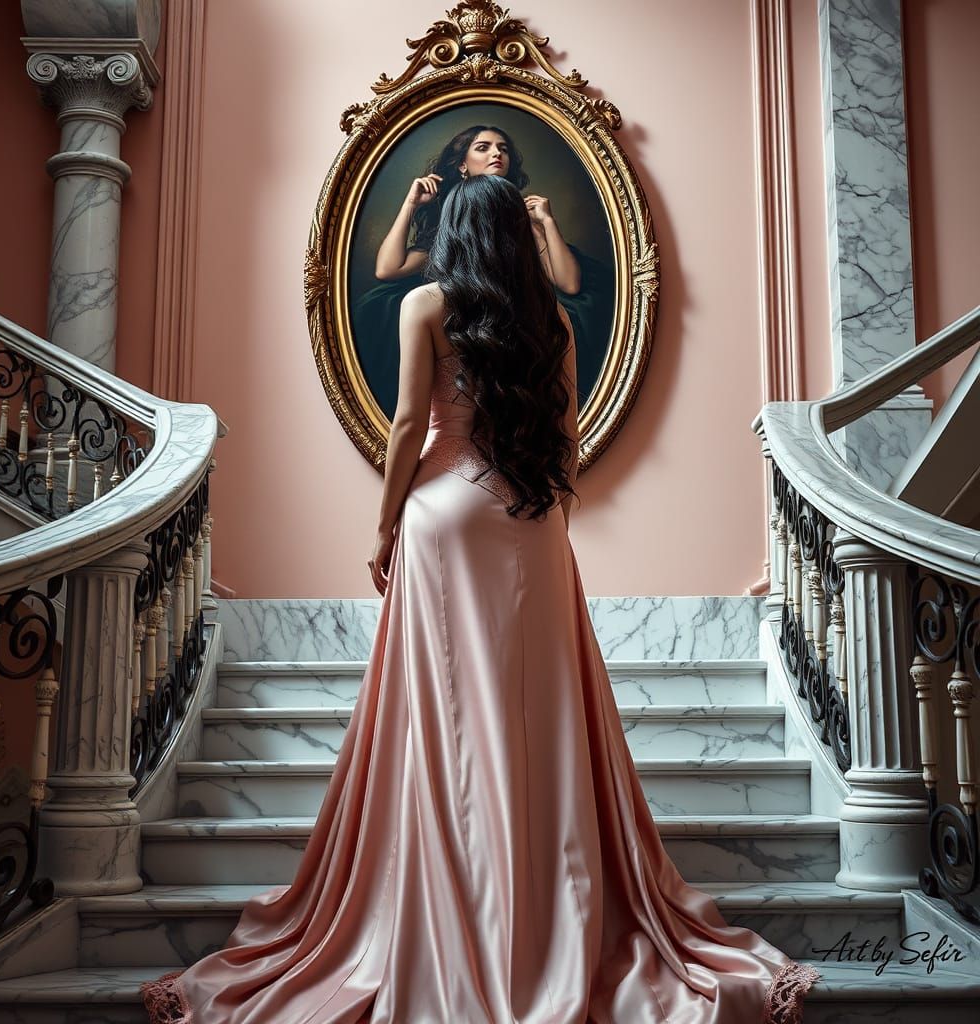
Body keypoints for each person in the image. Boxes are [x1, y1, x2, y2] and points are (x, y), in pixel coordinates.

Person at [141, 173, 820, 1022]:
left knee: (445, 717)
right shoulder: (555, 320)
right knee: (534, 717)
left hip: (442, 516)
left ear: (455, 230)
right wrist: (550, 515)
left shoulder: (426, 304)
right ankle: (539, 900)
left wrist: (385, 527)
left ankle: (451, 882)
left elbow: (405, 427)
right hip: (529, 518)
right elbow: (566, 436)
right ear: (513, 234)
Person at [353, 123, 611, 420]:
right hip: (463, 309)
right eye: (483, 147)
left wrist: (547, 223)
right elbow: (388, 269)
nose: (496, 153)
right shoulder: (450, 214)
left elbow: (569, 283)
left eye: (503, 148)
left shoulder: (523, 213)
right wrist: (411, 204)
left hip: (512, 306)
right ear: (462, 164)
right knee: (379, 306)